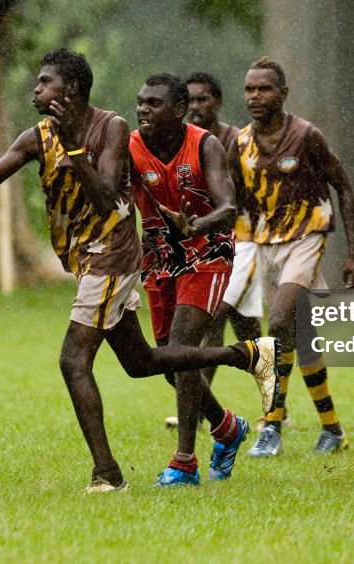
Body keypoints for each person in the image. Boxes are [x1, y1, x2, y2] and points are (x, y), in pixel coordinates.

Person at [0, 50, 277, 493]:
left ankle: (116, 472)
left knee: (74, 361)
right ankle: (243, 365)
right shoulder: (38, 136)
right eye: (140, 102)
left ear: (70, 91)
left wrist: (74, 149)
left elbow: (107, 198)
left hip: (118, 254)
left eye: (45, 82)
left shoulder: (112, 128)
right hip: (126, 258)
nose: (36, 89)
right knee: (143, 362)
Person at [130, 71, 270, 486]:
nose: (143, 109)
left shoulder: (205, 144)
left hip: (207, 252)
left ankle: (184, 462)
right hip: (158, 256)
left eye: (153, 103)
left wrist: (196, 225)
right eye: (140, 101)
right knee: (170, 364)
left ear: (178, 110)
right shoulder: (131, 146)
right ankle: (227, 428)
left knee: (181, 348)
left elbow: (228, 208)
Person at [231, 56, 354, 457]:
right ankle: (332, 428)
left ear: (283, 94)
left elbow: (343, 187)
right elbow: (233, 200)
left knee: (280, 319)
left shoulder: (306, 136)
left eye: (264, 88)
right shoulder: (239, 143)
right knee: (301, 337)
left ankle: (271, 423)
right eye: (250, 88)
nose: (255, 96)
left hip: (307, 236)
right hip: (263, 242)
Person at [183, 73, 265, 413]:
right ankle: (276, 409)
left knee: (211, 317)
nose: (196, 107)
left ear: (217, 101)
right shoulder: (184, 142)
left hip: (243, 241)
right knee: (248, 332)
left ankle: (201, 409)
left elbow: (249, 193)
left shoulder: (237, 140)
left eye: (203, 99)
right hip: (204, 242)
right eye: (190, 101)